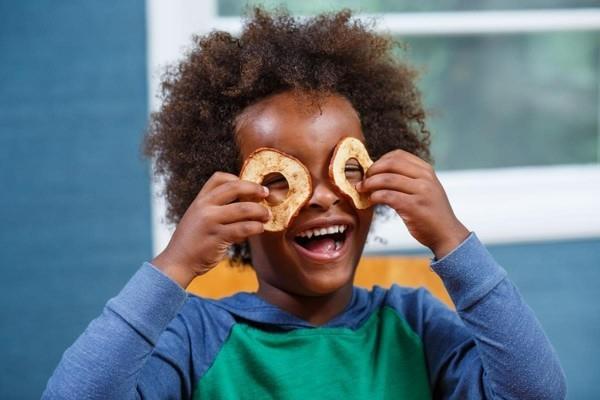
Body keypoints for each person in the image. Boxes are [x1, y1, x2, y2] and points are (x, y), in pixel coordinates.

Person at [42, 8, 566, 399]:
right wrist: (174, 266)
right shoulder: (195, 341)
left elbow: (539, 393)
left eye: (347, 168)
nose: (321, 196)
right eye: (282, 177)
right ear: (225, 202)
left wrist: (452, 239)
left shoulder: (413, 325)